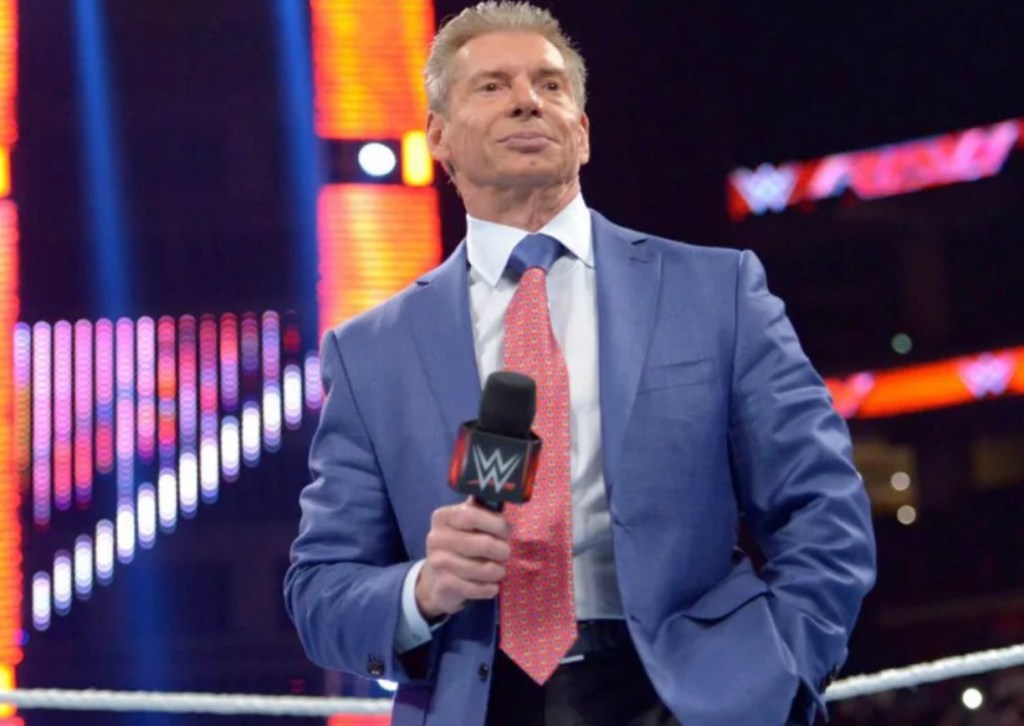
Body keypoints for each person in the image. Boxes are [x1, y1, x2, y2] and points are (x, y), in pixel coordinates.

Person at [284, 2, 876, 725]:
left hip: (690, 698)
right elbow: (320, 592)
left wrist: (778, 674)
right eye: (492, 86)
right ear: (439, 137)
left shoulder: (715, 292)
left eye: (550, 84)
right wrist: (424, 589)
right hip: (481, 700)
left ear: (583, 132)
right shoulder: (370, 351)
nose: (527, 100)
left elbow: (821, 503)